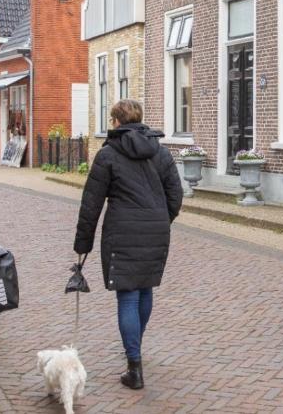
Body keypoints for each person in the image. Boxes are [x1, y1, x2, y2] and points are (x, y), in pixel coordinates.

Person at [73, 99, 182, 391]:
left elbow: (91, 203)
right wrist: (160, 220)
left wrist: (82, 245)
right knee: (144, 289)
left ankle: (134, 367)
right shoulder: (160, 152)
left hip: (122, 232)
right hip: (156, 230)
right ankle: (134, 348)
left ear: (117, 122)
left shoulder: (108, 154)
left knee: (128, 296)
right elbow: (176, 196)